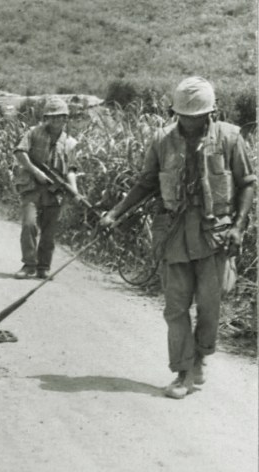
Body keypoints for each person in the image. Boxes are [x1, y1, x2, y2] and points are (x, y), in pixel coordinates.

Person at [100, 77, 255, 400]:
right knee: (175, 308)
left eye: (196, 117)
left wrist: (239, 227)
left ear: (211, 113)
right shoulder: (161, 140)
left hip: (215, 235)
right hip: (173, 234)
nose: (190, 122)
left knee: (211, 305)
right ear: (175, 113)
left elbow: (246, 184)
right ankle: (183, 371)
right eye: (184, 116)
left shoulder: (229, 137)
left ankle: (200, 355)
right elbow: (145, 184)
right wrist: (115, 213)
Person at [12, 96, 78, 280]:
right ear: (46, 118)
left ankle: (43, 267)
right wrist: (35, 172)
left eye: (61, 117)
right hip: (32, 187)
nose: (57, 120)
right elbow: (20, 152)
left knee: (49, 233)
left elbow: (72, 169)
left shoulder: (70, 142)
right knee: (29, 225)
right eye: (53, 116)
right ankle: (29, 265)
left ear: (66, 118)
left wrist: (74, 190)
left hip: (54, 192)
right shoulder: (33, 133)